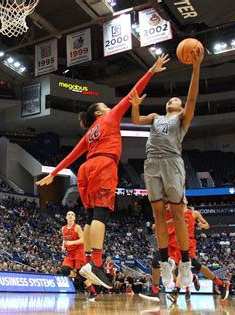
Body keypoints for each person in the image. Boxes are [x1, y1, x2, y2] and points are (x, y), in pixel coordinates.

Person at [37, 54, 170, 288]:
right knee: (101, 214)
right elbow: (132, 95)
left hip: (86, 169)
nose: (110, 108)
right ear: (99, 113)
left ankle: (88, 261)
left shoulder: (89, 133)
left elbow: (73, 155)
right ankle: (96, 263)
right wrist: (151, 70)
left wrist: (53, 173)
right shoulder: (109, 118)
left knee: (89, 217)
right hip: (103, 165)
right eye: (106, 107)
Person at [131, 46, 204, 288]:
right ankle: (164, 264)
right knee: (158, 215)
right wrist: (135, 104)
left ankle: (185, 264)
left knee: (177, 214)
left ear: (181, 108)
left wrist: (196, 67)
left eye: (177, 100)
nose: (173, 99)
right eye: (171, 99)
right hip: (151, 163)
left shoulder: (182, 119)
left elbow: (192, 98)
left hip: (172, 162)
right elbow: (135, 120)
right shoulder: (155, 117)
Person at [165, 202, 230, 303]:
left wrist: (202, 225)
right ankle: (195, 279)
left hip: (188, 242)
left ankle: (175, 293)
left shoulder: (194, 213)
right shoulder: (175, 214)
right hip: (175, 242)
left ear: (186, 201)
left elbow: (207, 225)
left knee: (186, 266)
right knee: (173, 268)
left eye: (183, 198)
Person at [60, 211, 98, 301]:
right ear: (66, 217)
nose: (70, 216)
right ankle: (82, 276)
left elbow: (83, 240)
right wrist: (63, 246)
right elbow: (64, 239)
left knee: (79, 271)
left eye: (72, 214)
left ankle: (93, 293)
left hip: (78, 251)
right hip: (70, 253)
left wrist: (72, 242)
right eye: (68, 214)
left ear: (74, 218)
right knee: (64, 270)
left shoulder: (77, 227)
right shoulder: (63, 228)